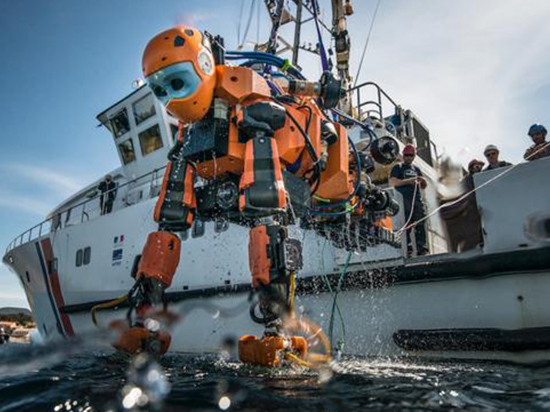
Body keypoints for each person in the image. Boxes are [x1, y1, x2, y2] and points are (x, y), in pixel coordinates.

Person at [389, 144, 429, 256]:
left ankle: (422, 250)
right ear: (403, 155)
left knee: (420, 224)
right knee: (406, 225)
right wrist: (409, 181)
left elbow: (423, 186)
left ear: (414, 156)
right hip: (403, 200)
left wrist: (423, 181)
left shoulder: (417, 169)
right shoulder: (398, 167)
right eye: (406, 155)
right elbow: (393, 182)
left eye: (411, 155)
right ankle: (408, 250)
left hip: (416, 200)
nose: (408, 157)